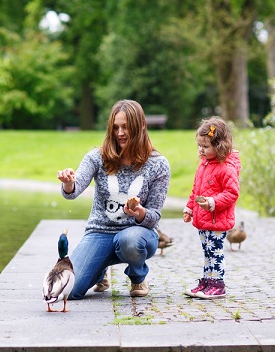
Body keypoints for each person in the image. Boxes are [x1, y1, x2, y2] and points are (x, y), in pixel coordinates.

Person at [57, 99, 170, 299]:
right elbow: (73, 190)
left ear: (141, 126)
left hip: (137, 235)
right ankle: (99, 270)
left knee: (129, 241)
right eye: (115, 127)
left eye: (126, 127)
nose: (120, 133)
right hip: (100, 232)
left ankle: (137, 276)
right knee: (70, 291)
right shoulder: (96, 157)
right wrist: (68, 182)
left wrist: (139, 212)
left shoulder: (158, 165)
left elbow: (154, 217)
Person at [183, 116, 241, 299]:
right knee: (207, 252)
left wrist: (213, 202)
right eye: (199, 146)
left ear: (220, 146)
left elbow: (232, 193)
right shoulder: (204, 165)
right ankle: (208, 282)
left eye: (205, 146)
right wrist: (190, 208)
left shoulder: (226, 168)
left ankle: (218, 284)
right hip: (203, 219)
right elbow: (196, 190)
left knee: (215, 253)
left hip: (217, 219)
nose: (201, 150)